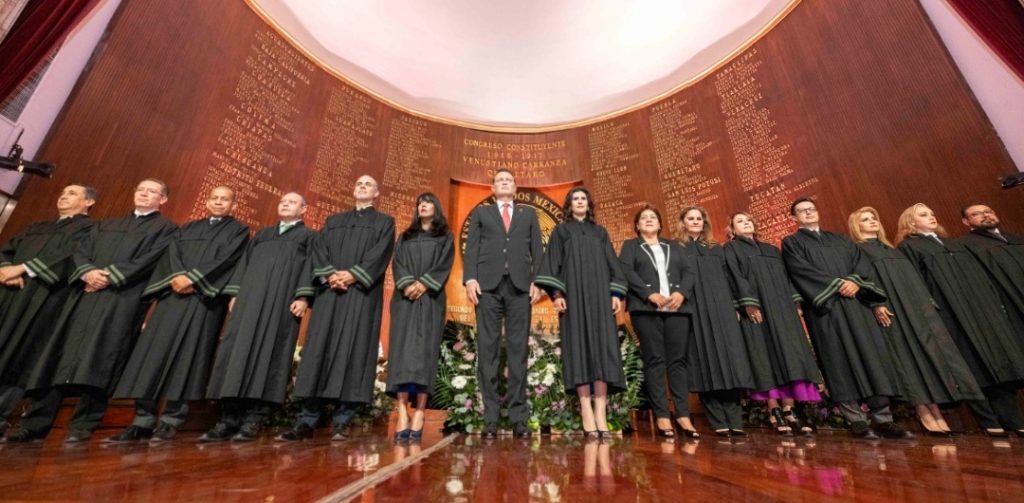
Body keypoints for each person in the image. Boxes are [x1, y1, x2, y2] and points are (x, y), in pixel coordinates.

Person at [5, 179, 177, 443]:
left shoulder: (166, 230)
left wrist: (108, 276)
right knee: (58, 356)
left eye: (152, 191)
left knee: (102, 359)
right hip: (84, 296)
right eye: (140, 189)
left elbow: (150, 260)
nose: (144, 194)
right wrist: (87, 272)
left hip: (122, 298)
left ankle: (83, 425)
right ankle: (35, 424)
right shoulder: (106, 224)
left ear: (162, 199)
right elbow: (82, 251)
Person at [106, 186, 249, 443]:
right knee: (151, 356)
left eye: (224, 199)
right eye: (214, 198)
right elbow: (172, 255)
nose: (218, 202)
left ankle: (171, 420)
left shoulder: (238, 231)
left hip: (203, 301)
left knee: (188, 358)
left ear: (234, 206)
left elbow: (227, 260)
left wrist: (193, 279)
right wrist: (179, 278)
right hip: (172, 298)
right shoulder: (188, 228)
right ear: (207, 202)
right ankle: (142, 420)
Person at [781, 197, 912, 440]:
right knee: (838, 360)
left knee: (872, 357)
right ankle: (857, 420)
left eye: (811, 209)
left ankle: (883, 419)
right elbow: (800, 271)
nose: (809, 213)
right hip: (826, 310)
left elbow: (861, 264)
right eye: (802, 211)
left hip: (856, 306)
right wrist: (837, 285)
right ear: (794, 218)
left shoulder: (840, 238)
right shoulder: (792, 243)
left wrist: (854, 281)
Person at [277, 175, 395, 442]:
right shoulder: (334, 221)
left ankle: (342, 421)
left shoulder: (384, 222)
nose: (362, 186)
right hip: (329, 294)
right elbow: (319, 251)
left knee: (354, 350)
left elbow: (380, 253)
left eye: (368, 184)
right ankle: (307, 419)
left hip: (360, 295)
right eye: (359, 183)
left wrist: (353, 275)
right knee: (319, 349)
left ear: (376, 193)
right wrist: (331, 275)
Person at [848, 206, 983, 436]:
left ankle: (935, 407)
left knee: (927, 353)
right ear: (856, 226)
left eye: (874, 218)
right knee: (905, 355)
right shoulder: (858, 250)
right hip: (891, 308)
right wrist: (876, 304)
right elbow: (864, 280)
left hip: (915, 307)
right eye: (865, 220)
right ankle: (921, 408)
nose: (872, 222)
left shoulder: (893, 248)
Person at [895, 203, 1024, 437]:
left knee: (997, 361)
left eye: (932, 213)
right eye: (923, 215)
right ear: (910, 222)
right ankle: (988, 420)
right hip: (949, 315)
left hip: (979, 311)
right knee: (970, 365)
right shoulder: (909, 247)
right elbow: (914, 284)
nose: (931, 217)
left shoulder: (955, 244)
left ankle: (1012, 419)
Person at [199, 192, 315, 442]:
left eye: (292, 202)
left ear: (304, 209)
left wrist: (303, 296)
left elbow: (310, 268)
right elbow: (244, 264)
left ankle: (254, 418)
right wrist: (235, 293)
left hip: (281, 304)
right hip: (249, 302)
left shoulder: (309, 237)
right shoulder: (262, 234)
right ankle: (228, 418)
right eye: (283, 201)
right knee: (236, 354)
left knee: (270, 354)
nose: (285, 204)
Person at [0, 184, 96, 436]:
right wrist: (5, 269)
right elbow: (7, 250)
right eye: (62, 192)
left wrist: (22, 268)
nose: (64, 196)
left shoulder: (89, 229)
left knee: (21, 352)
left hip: (43, 299)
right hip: (9, 294)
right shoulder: (38, 226)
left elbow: (70, 257)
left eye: (72, 193)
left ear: (89, 202)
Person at [535, 187, 627, 438]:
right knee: (579, 350)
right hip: (573, 299)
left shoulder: (600, 233)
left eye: (583, 198)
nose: (579, 202)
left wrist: (615, 294)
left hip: (600, 299)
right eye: (575, 199)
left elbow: (613, 265)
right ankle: (586, 409)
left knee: (603, 351)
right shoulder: (561, 231)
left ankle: (601, 412)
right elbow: (552, 265)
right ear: (569, 205)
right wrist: (557, 295)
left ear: (589, 204)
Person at [723, 211, 822, 436]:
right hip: (757, 310)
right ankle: (773, 409)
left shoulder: (771, 250)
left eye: (748, 220)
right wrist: (749, 304)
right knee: (765, 356)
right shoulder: (731, 249)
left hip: (782, 309)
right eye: (740, 221)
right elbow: (735, 277)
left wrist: (796, 302)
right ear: (732, 229)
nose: (746, 223)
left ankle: (790, 409)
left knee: (790, 355)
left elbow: (788, 277)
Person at [462, 169, 543, 438]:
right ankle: (491, 418)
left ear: (515, 188)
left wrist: (538, 281)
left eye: (509, 180)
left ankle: (519, 417)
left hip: (520, 288)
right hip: (487, 288)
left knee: (518, 352)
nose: (504, 183)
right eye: (500, 181)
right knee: (488, 351)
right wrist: (470, 278)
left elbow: (537, 250)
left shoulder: (528, 214)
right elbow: (471, 248)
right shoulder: (481, 213)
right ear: (493, 188)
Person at [617, 205, 698, 439]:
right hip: (646, 310)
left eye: (653, 217)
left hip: (677, 309)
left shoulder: (674, 245)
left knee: (678, 361)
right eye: (644, 218)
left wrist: (681, 293)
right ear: (637, 225)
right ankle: (662, 415)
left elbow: (689, 272)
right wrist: (649, 294)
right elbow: (627, 272)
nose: (649, 220)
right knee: (654, 360)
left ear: (660, 224)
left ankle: (682, 414)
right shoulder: (630, 246)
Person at [677, 206, 756, 437]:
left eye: (699, 218)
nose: (695, 222)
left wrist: (735, 305)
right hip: (694, 308)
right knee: (703, 359)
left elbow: (730, 279)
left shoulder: (716, 248)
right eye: (691, 218)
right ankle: (717, 418)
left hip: (722, 308)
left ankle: (734, 418)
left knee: (729, 359)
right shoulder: (676, 248)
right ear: (683, 222)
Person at [385, 192, 454, 442]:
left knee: (425, 354)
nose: (423, 205)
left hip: (431, 299)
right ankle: (402, 411)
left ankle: (421, 412)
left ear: (436, 207)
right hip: (405, 300)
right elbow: (398, 263)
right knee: (402, 353)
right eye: (420, 203)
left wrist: (424, 283)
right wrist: (407, 285)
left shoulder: (444, 236)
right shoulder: (406, 236)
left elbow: (444, 264)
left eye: (427, 202)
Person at [959, 204, 1024, 342]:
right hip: (1007, 299)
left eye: (988, 211)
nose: (985, 215)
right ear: (966, 221)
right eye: (976, 214)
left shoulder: (1015, 238)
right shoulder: (964, 245)